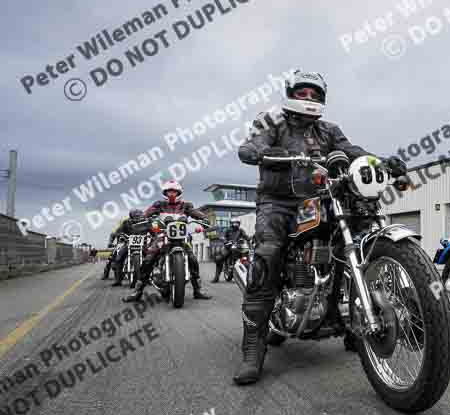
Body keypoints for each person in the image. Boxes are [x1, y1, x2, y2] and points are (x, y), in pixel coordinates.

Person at [233, 69, 406, 385]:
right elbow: (251, 145)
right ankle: (253, 348)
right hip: (279, 201)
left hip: (322, 197)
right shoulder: (273, 122)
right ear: (291, 93)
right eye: (303, 92)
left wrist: (379, 161)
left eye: (314, 94)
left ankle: (357, 323)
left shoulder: (329, 130)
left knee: (351, 243)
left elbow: (352, 151)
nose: (308, 98)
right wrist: (260, 151)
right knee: (268, 253)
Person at [125, 181, 213, 302]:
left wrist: (204, 218)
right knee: (149, 259)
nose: (171, 193)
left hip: (182, 238)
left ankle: (197, 290)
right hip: (162, 236)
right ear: (165, 193)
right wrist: (141, 219)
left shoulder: (186, 205)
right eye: (169, 191)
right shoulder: (159, 204)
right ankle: (138, 291)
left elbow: (195, 213)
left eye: (174, 191)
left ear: (179, 192)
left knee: (193, 259)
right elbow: (147, 213)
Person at [109, 209, 146, 287]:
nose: (137, 218)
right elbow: (118, 231)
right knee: (118, 258)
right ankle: (118, 280)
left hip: (143, 245)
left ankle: (149, 277)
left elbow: (153, 231)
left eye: (138, 216)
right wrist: (120, 234)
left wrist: (155, 235)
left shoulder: (145, 222)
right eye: (135, 216)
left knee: (151, 258)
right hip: (128, 244)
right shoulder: (126, 223)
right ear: (131, 216)